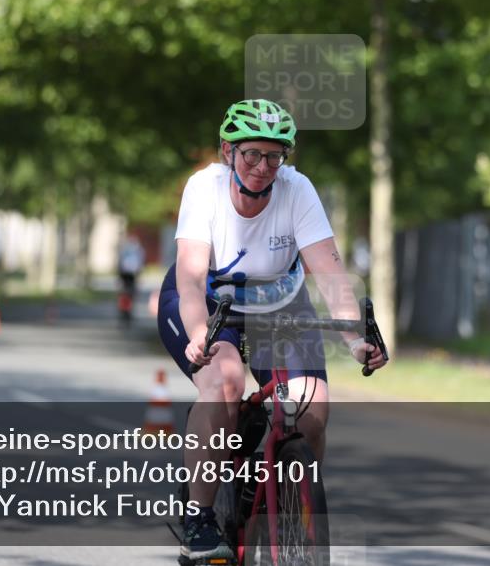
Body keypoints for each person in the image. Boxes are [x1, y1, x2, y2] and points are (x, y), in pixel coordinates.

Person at [157, 98, 387, 563]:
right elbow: (188, 276)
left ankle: (293, 503)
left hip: (277, 306)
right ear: (228, 151)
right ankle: (200, 518)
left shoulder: (297, 191)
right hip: (206, 299)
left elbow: (328, 270)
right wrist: (200, 331)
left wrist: (354, 338)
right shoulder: (204, 189)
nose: (263, 167)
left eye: (274, 156)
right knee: (224, 383)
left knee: (312, 409)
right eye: (251, 154)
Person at [117, 234, 145, 322]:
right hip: (129, 275)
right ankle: (126, 311)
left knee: (127, 294)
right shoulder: (138, 250)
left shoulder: (127, 250)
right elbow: (140, 264)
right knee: (128, 294)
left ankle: (126, 311)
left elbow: (120, 263)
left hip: (127, 274)